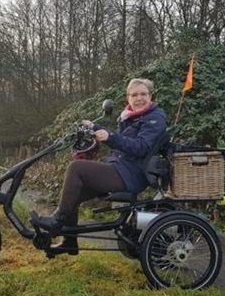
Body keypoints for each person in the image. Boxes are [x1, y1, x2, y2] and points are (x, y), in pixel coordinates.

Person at [38, 78, 168, 255]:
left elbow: (140, 147)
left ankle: (56, 221)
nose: (139, 98)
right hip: (121, 168)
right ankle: (69, 243)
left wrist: (110, 137)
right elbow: (120, 139)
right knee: (73, 196)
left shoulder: (155, 117)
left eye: (143, 94)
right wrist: (94, 127)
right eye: (134, 95)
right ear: (128, 98)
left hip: (131, 174)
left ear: (150, 96)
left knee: (76, 168)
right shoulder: (131, 117)